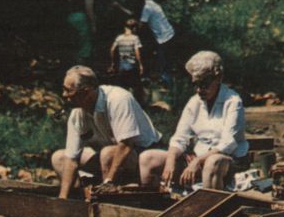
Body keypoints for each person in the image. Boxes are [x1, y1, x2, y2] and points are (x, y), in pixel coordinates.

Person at [139, 51, 249, 191]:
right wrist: (170, 161)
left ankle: (209, 203)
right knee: (147, 158)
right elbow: (180, 137)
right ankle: (153, 202)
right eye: (195, 84)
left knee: (213, 162)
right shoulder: (194, 102)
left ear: (218, 78)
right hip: (198, 159)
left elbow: (227, 144)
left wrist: (198, 160)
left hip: (227, 161)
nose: (199, 90)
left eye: (204, 84)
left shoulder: (232, 101)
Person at [51, 65, 162, 199]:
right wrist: (62, 198)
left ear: (86, 91)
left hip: (141, 154)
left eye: (68, 90)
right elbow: (72, 158)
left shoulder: (118, 99)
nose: (64, 95)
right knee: (59, 158)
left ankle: (105, 199)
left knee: (107, 154)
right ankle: (76, 201)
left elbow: (126, 145)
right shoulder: (77, 113)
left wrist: (108, 182)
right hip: (110, 156)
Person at [113, 0, 175, 86]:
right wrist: (119, 7)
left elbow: (141, 25)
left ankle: (165, 82)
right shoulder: (151, 3)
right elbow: (133, 15)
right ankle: (161, 78)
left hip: (165, 37)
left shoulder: (148, 7)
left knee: (163, 61)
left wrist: (131, 31)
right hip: (168, 33)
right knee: (162, 59)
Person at [65, 0, 103, 64]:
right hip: (82, 19)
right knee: (84, 44)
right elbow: (89, 10)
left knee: (74, 41)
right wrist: (93, 24)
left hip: (71, 17)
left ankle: (72, 64)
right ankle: (81, 65)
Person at [109, 18, 144, 103]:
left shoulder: (119, 38)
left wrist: (113, 62)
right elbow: (137, 52)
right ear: (134, 28)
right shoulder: (135, 38)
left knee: (123, 85)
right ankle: (133, 102)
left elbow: (112, 49)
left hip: (122, 65)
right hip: (132, 65)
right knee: (134, 85)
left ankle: (122, 101)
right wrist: (140, 64)